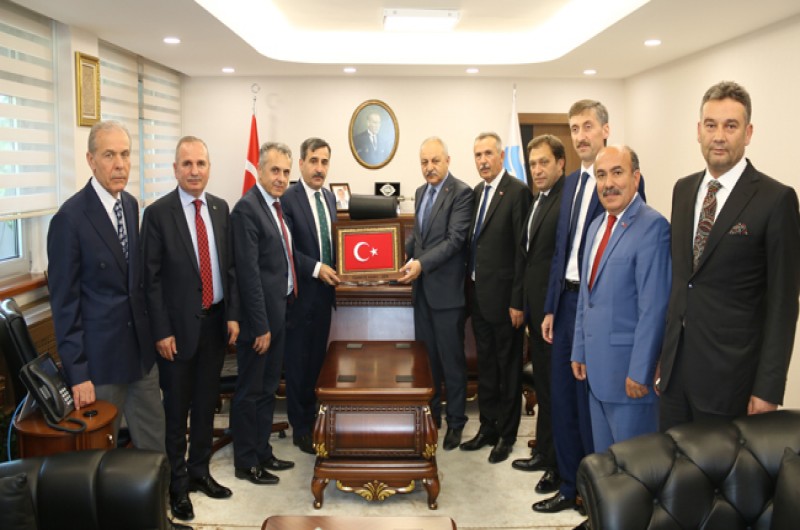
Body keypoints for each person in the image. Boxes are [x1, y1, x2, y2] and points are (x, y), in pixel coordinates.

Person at [657, 81, 800, 430]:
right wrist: (664, 358)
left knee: (721, 467)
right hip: (675, 378)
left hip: (732, 382)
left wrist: (768, 388)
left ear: (748, 133)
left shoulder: (776, 199)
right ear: (699, 131)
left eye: (730, 126)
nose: (719, 136)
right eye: (711, 125)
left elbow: (783, 303)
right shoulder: (683, 190)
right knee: (673, 464)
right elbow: (684, 283)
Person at [534, 100, 645, 519]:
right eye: (574, 128)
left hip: (600, 308)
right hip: (566, 304)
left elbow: (631, 251)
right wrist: (550, 307)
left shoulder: (621, 182)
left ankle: (594, 496)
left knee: (590, 406)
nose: (580, 136)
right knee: (562, 399)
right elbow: (561, 253)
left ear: (605, 130)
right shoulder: (572, 185)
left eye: (587, 127)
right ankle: (569, 486)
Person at [47, 120, 165, 453]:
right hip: (99, 364)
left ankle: (158, 491)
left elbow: (133, 285)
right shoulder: (69, 219)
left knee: (155, 447)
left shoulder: (130, 205)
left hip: (140, 356)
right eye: (109, 155)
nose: (120, 164)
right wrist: (78, 372)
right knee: (100, 455)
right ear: (91, 160)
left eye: (125, 154)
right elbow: (65, 305)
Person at [142, 136, 239, 521]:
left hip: (214, 324)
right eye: (187, 164)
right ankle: (177, 485)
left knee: (205, 406)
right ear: (175, 169)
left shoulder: (220, 208)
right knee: (176, 412)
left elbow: (228, 268)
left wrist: (232, 315)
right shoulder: (158, 214)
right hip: (176, 333)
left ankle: (200, 472)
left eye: (201, 163)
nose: (194, 171)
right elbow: (150, 281)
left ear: (209, 168)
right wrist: (161, 331)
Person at [571, 145, 670, 454]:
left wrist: (641, 371)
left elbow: (654, 308)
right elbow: (586, 297)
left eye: (617, 173)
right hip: (596, 374)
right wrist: (579, 349)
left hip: (630, 379)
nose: (608, 183)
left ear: (635, 178)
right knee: (606, 466)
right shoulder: (596, 227)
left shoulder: (653, 227)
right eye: (601, 175)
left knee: (634, 469)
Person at [460, 132, 531, 463]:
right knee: (487, 366)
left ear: (502, 156)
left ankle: (507, 434)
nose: (483, 160)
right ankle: (487, 427)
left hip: (505, 300)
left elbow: (521, 251)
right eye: (478, 155)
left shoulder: (517, 192)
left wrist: (518, 300)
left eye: (488, 153)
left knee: (508, 368)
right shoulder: (477, 192)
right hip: (479, 295)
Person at [399, 137, 473, 450]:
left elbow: (454, 241)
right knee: (428, 361)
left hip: (447, 295)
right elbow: (419, 236)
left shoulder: (462, 193)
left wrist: (420, 264)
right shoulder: (420, 192)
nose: (429, 167)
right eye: (424, 162)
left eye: (435, 161)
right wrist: (397, 255)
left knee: (451, 362)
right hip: (422, 294)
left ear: (448, 160)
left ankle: (456, 422)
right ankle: (433, 416)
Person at [230, 142, 296, 485]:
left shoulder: (274, 206)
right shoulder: (247, 209)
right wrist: (260, 326)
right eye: (275, 170)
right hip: (260, 321)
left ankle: (262, 451)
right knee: (250, 391)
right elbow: (248, 274)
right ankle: (246, 461)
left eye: (286, 172)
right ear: (259, 170)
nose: (281, 178)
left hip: (278, 311)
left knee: (268, 388)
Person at [510, 135, 566, 496]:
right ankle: (544, 452)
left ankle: (557, 462)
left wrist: (548, 309)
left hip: (553, 314)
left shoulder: (565, 201)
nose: (537, 170)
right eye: (532, 164)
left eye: (544, 162)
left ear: (561, 163)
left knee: (555, 392)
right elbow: (528, 257)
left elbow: (561, 261)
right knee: (544, 387)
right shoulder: (538, 200)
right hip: (536, 312)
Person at [280, 138, 340, 455]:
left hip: (324, 297)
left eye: (324, 162)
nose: (319, 168)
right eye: (314, 161)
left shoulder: (328, 197)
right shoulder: (288, 199)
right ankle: (300, 428)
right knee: (298, 364)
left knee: (317, 361)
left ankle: (315, 419)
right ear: (301, 164)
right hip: (300, 296)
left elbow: (334, 241)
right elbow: (286, 249)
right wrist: (317, 269)